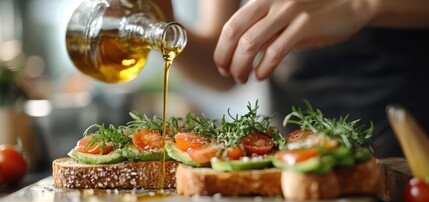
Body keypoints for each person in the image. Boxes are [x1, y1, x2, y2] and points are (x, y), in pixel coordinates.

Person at [157, 0, 429, 158]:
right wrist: (161, 24)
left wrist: (364, 5)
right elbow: (223, 65)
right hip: (294, 136)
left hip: (413, 130)